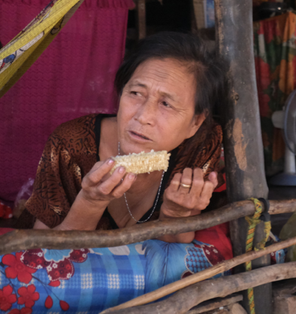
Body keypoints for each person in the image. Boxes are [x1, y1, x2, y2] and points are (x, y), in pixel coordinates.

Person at [17, 32, 226, 244]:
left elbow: (175, 245)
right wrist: (90, 202)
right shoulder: (70, 144)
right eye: (135, 93)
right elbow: (40, 254)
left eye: (166, 104)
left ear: (195, 123)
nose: (143, 116)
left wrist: (176, 215)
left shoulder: (200, 145)